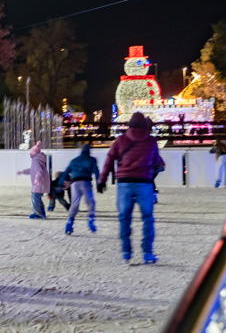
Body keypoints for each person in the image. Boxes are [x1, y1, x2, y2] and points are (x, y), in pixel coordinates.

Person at [100, 112, 165, 264]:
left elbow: (109, 159)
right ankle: (147, 252)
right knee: (147, 218)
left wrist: (102, 180)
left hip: (124, 182)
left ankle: (126, 252)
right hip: (144, 182)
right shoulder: (151, 141)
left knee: (124, 218)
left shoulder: (120, 140)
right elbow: (157, 162)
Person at [63, 144, 103, 236]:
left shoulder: (74, 160)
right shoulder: (92, 159)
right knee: (90, 201)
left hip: (74, 183)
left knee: (75, 202)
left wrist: (64, 182)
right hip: (85, 182)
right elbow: (96, 172)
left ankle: (69, 222)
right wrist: (98, 183)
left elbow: (65, 172)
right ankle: (90, 219)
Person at [18, 141, 50, 219]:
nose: (30, 155)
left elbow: (39, 172)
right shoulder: (38, 160)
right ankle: (42, 212)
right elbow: (32, 170)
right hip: (41, 183)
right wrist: (23, 172)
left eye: (31, 153)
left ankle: (38, 213)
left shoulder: (36, 160)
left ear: (34, 153)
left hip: (39, 183)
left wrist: (36, 179)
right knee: (37, 198)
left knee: (35, 197)